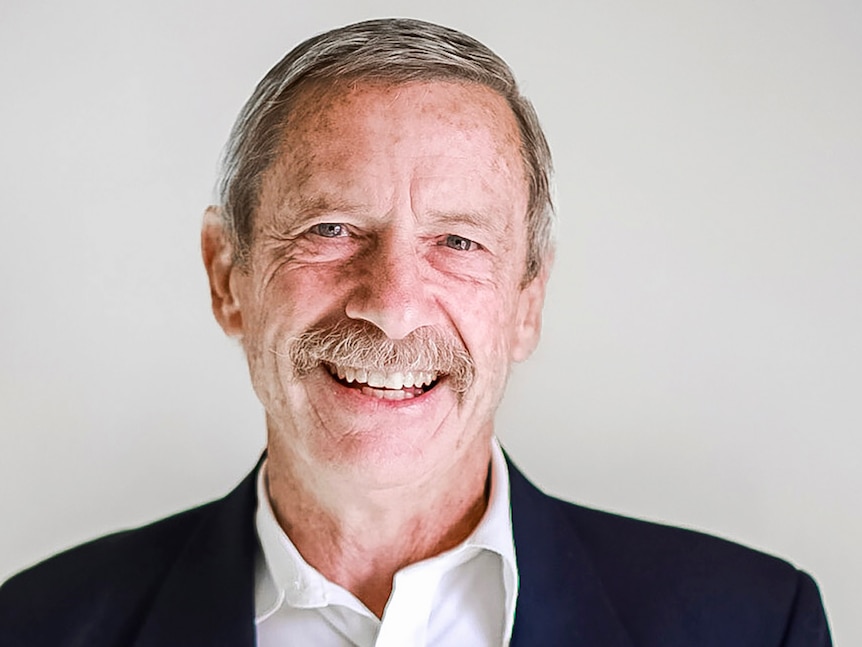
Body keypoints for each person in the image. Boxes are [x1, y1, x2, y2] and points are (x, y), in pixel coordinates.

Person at [0, 17, 831, 647]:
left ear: (527, 301)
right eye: (330, 228)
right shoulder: (36, 625)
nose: (393, 304)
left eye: (458, 241)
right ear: (229, 277)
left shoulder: (755, 624)